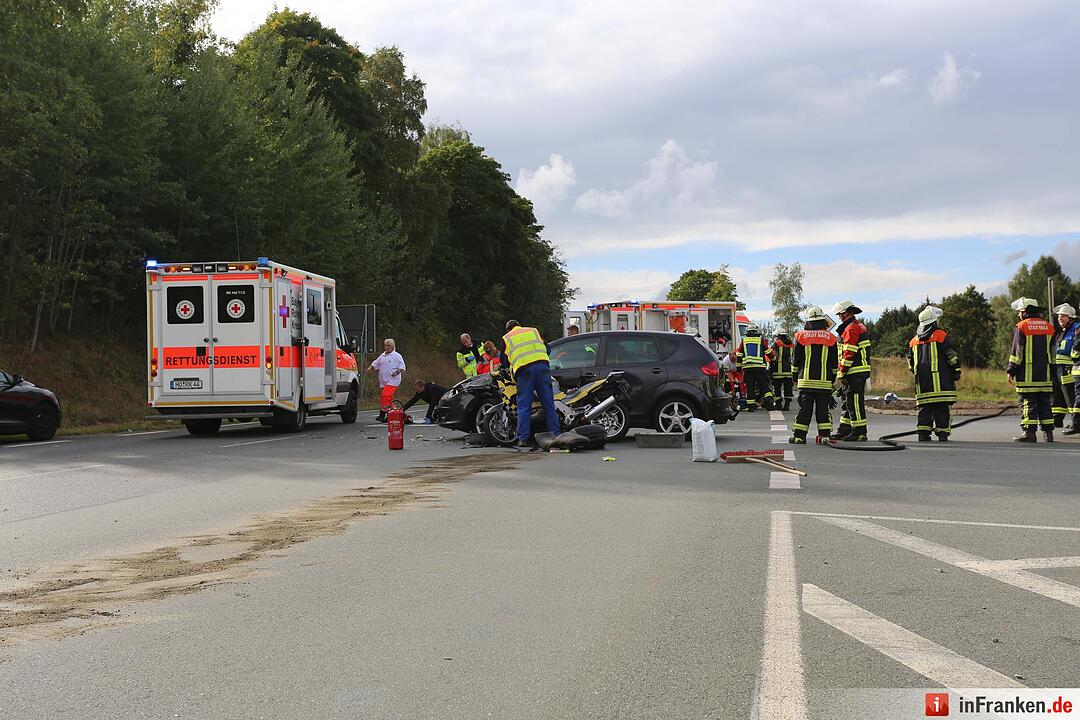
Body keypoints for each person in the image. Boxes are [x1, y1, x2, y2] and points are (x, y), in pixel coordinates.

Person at [502, 320, 560, 446]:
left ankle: (523, 439)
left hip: (524, 371)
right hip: (542, 367)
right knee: (548, 404)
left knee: (524, 406)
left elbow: (504, 362)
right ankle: (555, 434)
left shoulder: (507, 338)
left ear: (508, 330)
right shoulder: (533, 331)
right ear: (519, 325)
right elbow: (547, 349)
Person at [908, 307, 961, 442]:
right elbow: (951, 357)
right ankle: (942, 434)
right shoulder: (941, 335)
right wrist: (956, 371)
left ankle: (923, 434)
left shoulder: (913, 341)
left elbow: (910, 364)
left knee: (924, 410)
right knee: (941, 409)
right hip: (941, 385)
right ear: (933, 322)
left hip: (922, 386)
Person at [1006, 297, 1055, 442]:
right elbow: (1053, 354)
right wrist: (1053, 372)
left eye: (1019, 311)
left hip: (1027, 377)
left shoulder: (1021, 326)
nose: (1018, 314)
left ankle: (1030, 433)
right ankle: (1048, 434)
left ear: (1025, 311)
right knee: (1045, 404)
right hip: (1045, 376)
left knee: (1028, 404)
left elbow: (1017, 353)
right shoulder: (1049, 327)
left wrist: (1011, 370)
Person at [789, 306, 838, 444]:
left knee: (805, 410)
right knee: (823, 411)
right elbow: (834, 364)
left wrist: (795, 378)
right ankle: (824, 437)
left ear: (808, 321)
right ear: (823, 320)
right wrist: (831, 381)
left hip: (805, 381)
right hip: (824, 382)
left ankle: (799, 437)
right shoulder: (831, 338)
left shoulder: (800, 336)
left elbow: (795, 361)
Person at [831, 300, 871, 441]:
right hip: (855, 370)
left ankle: (859, 431)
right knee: (847, 401)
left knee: (854, 401)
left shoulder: (851, 328)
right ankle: (845, 429)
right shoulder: (855, 326)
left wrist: (842, 371)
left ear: (846, 313)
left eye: (840, 314)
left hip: (854, 370)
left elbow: (849, 352)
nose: (839, 317)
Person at [1051, 303, 1080, 433]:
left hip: (1069, 369)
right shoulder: (1061, 332)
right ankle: (1057, 420)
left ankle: (1076, 423)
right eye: (1058, 317)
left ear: (1070, 318)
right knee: (1059, 395)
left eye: (1063, 316)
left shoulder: (1076, 329)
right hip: (1058, 369)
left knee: (1071, 396)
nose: (1060, 319)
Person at [736, 324, 774, 412]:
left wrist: (738, 368)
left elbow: (739, 356)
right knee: (764, 385)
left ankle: (751, 406)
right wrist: (773, 358)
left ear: (747, 333)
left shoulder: (744, 341)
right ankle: (769, 401)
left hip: (748, 369)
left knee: (750, 387)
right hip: (760, 368)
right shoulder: (761, 340)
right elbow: (768, 352)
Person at [368, 338, 405, 422]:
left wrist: (396, 372)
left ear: (393, 346)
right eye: (385, 345)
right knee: (388, 399)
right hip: (384, 380)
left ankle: (382, 414)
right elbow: (376, 363)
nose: (386, 347)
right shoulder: (383, 355)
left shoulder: (397, 356)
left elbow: (402, 367)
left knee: (385, 395)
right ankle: (393, 414)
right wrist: (371, 367)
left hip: (393, 380)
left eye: (388, 345)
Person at [768, 331, 795, 411]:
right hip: (789, 371)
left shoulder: (777, 343)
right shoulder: (792, 345)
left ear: (779, 336)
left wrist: (771, 364)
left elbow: (773, 354)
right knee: (788, 389)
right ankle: (787, 405)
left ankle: (778, 405)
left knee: (777, 388)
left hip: (778, 370)